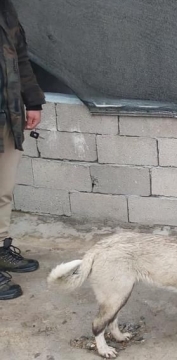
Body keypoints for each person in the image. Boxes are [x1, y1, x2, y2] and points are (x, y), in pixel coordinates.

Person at [0, 0, 46, 300]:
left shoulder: (4, 7)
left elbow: (20, 57)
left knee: (3, 189)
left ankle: (0, 247)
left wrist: (32, 101)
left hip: (7, 115)